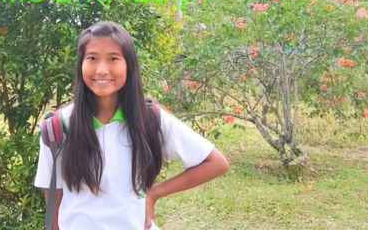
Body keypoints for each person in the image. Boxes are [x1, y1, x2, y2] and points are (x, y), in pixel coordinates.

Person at [35, 21, 230, 230]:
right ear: (81, 64)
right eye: (92, 58)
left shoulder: (149, 119)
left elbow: (215, 163)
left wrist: (154, 193)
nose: (102, 70)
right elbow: (54, 201)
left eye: (113, 58)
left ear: (128, 64)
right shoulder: (59, 126)